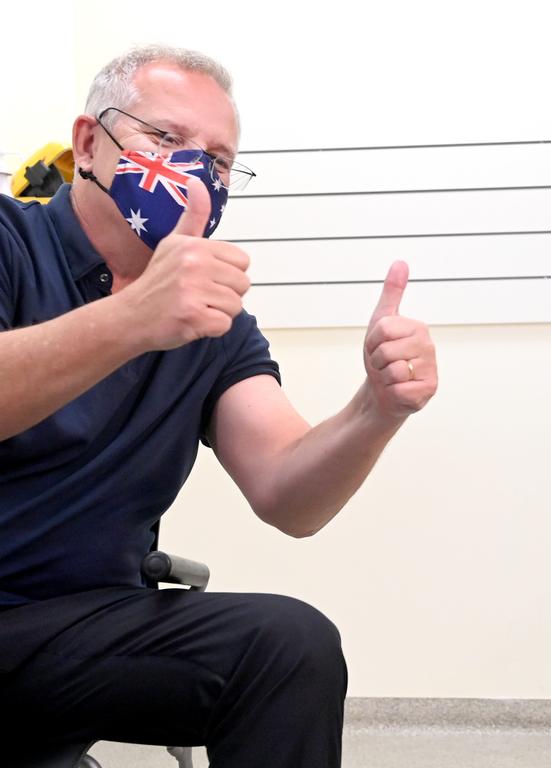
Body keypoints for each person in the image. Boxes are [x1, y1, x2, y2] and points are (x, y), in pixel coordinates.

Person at [0, 45, 437, 766]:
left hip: (77, 634)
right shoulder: (11, 244)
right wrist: (134, 316)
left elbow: (289, 496)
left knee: (289, 645)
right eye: (166, 140)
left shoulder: (214, 324)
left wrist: (377, 409)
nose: (197, 171)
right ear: (88, 144)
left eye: (221, 160)